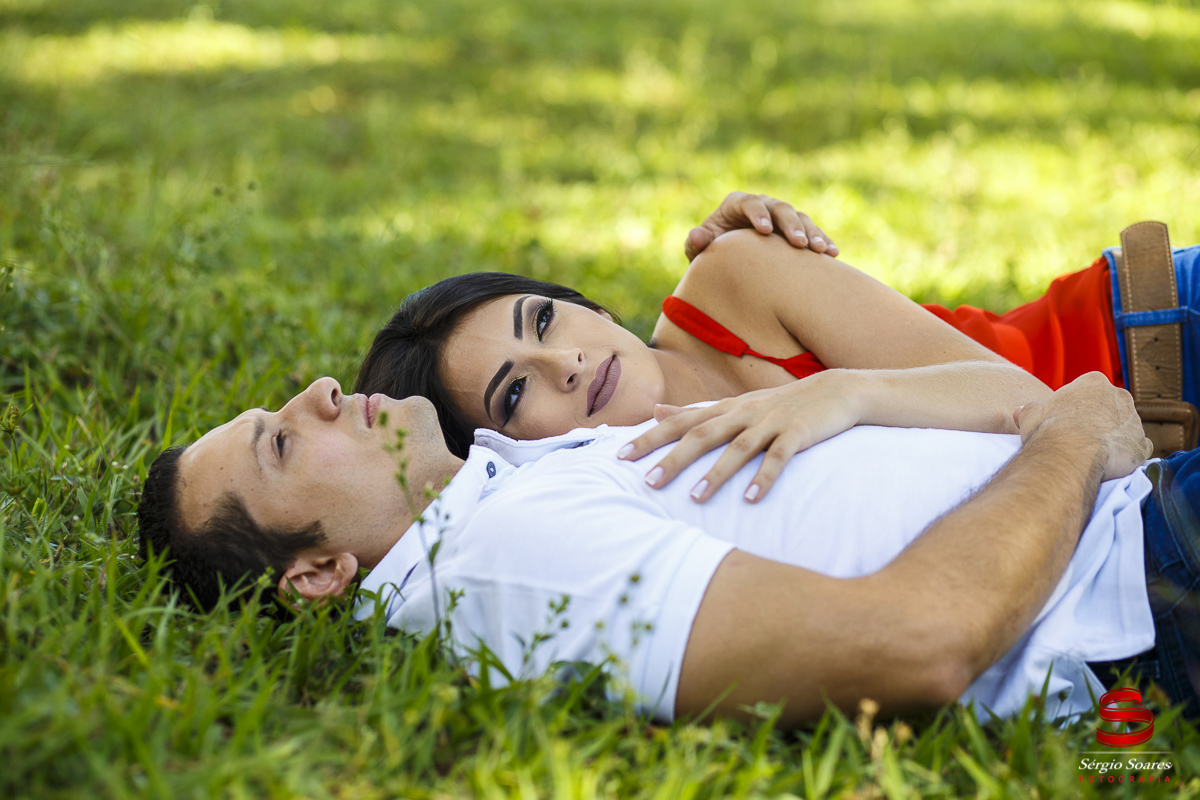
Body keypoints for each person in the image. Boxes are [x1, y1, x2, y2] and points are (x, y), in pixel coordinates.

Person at [138, 371, 1200, 727]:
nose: (318, 393)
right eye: (284, 440)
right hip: (1143, 572)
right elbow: (917, 641)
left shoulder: (505, 495)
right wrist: (1069, 444)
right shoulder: (508, 558)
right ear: (319, 574)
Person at [354, 196, 1198, 504]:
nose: (564, 362)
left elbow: (1038, 403)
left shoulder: (734, 281)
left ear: (589, 308)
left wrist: (841, 395)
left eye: (543, 322)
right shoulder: (625, 492)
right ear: (505, 449)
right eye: (513, 393)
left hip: (1150, 342)